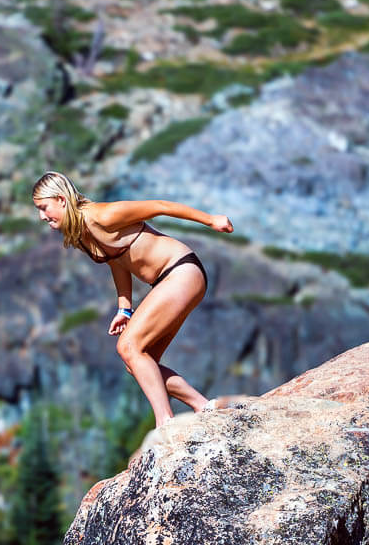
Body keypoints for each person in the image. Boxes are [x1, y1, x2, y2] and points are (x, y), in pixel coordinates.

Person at [31, 171, 233, 426]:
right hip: (168, 281)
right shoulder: (82, 233)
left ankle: (164, 422)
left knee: (129, 347)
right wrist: (124, 308)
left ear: (61, 199)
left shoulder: (102, 215)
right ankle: (204, 406)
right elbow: (117, 261)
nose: (41, 216)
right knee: (138, 360)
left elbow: (160, 207)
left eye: (43, 207)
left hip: (181, 270)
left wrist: (211, 219)